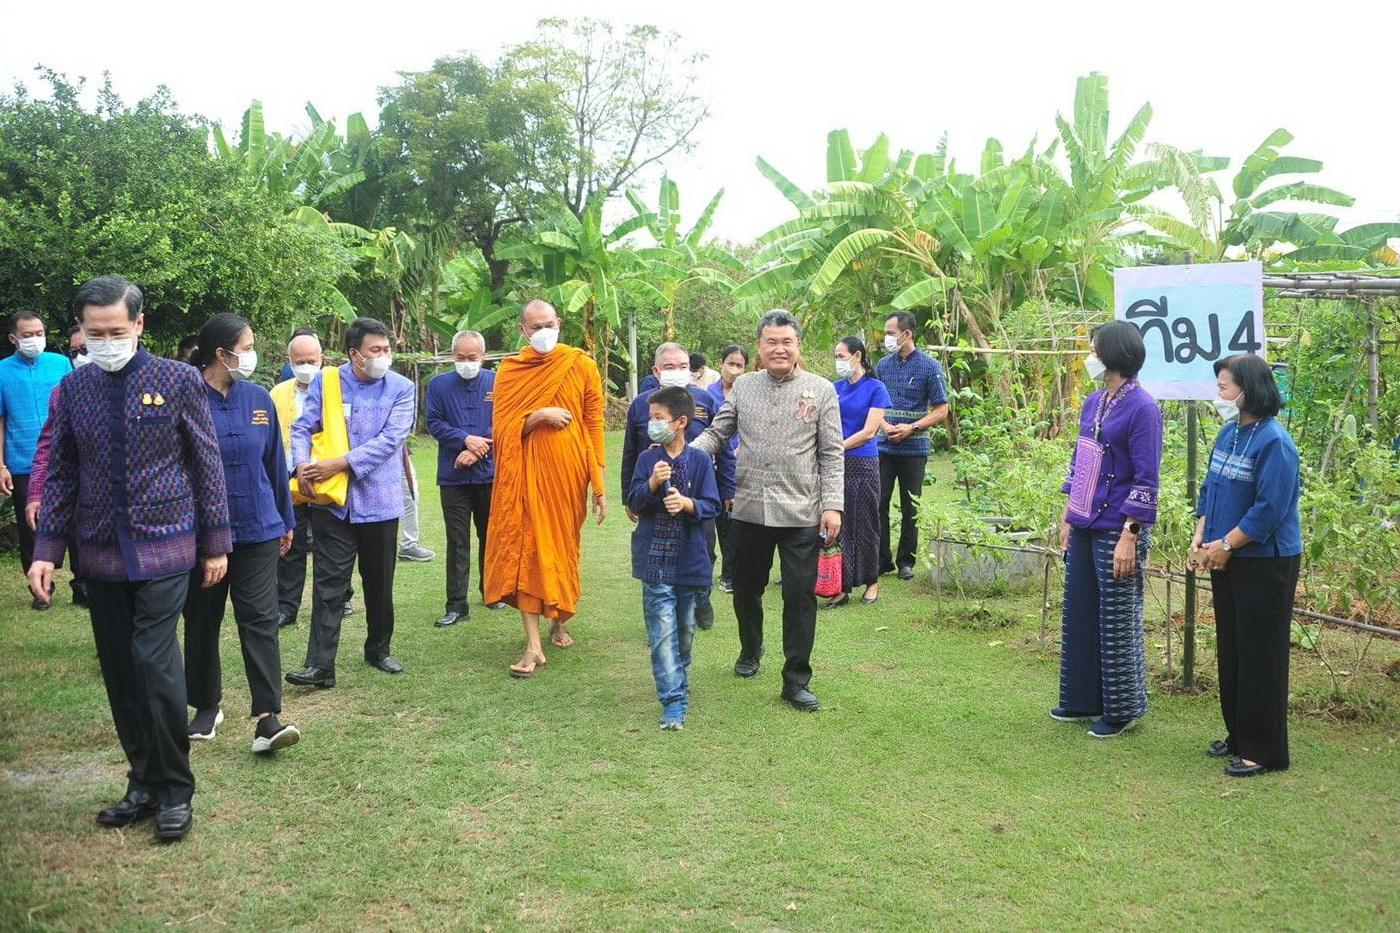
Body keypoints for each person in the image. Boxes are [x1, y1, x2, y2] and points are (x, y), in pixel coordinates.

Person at [29, 274, 231, 841]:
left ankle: (175, 790)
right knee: (120, 670)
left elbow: (206, 464)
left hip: (167, 545)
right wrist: (47, 551)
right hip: (99, 552)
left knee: (153, 661)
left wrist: (216, 543)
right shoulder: (74, 389)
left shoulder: (178, 379)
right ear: (80, 331)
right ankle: (142, 781)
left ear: (139, 325)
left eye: (117, 331)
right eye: (95, 333)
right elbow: (62, 473)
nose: (107, 341)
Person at [692, 310, 844, 712]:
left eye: (786, 342)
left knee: (799, 597)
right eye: (771, 342)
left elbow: (832, 453)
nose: (779, 349)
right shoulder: (744, 386)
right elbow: (717, 433)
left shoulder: (821, 390)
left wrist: (832, 505)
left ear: (797, 346)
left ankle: (796, 680)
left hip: (801, 511)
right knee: (745, 590)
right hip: (750, 510)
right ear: (759, 347)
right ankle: (750, 647)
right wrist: (684, 455)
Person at [181, 313, 301, 753]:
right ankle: (205, 706)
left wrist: (285, 519)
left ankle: (268, 717)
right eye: (247, 347)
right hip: (203, 535)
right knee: (202, 619)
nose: (252, 355)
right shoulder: (186, 398)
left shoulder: (258, 398)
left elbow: (274, 462)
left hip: (258, 528)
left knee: (260, 620)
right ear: (221, 353)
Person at [286, 317, 415, 686]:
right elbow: (302, 426)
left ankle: (379, 649)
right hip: (332, 504)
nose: (384, 355)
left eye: (387, 349)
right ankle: (320, 666)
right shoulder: (327, 381)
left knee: (379, 584)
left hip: (380, 503)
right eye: (376, 350)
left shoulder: (402, 388)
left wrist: (340, 463)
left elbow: (391, 440)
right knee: (328, 586)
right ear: (355, 354)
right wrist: (301, 465)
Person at [1190, 354, 1301, 777]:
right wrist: (1201, 534)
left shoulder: (1275, 442)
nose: (1218, 394)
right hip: (1226, 553)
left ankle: (1264, 751)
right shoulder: (1230, 432)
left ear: (1248, 391)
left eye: (1224, 387)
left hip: (1264, 561)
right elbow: (1211, 488)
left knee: (1261, 653)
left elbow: (1270, 509)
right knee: (1234, 648)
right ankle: (1239, 736)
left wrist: (1228, 544)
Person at [483, 299, 606, 678]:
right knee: (529, 550)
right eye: (535, 327)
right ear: (523, 331)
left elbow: (594, 423)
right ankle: (533, 645)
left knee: (561, 549)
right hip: (523, 477)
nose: (543, 332)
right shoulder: (510, 370)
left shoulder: (581, 364)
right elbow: (501, 430)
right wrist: (535, 417)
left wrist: (599, 484)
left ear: (560, 323)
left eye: (548, 324)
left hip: (568, 476)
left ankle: (559, 620)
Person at [1054, 321, 1162, 738]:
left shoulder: (1143, 408)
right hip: (1085, 519)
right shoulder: (1095, 401)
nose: (1091, 357)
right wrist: (1069, 514)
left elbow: (1147, 476)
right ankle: (1082, 700)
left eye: (1095, 350)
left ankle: (1122, 709)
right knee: (1080, 610)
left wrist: (1130, 535)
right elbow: (1081, 459)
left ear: (1114, 355)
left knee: (1117, 617)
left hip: (1119, 525)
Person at [621, 342, 735, 629]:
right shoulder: (641, 405)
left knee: (704, 549)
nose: (677, 371)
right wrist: (628, 496)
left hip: (698, 491)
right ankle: (662, 614)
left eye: (683, 366)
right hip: (654, 491)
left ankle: (701, 597)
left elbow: (723, 446)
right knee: (657, 550)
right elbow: (630, 452)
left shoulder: (705, 400)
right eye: (669, 367)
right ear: (656, 371)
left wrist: (728, 489)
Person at [629, 386, 721, 730]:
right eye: (650, 418)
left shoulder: (700, 461)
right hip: (654, 560)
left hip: (690, 559)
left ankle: (678, 679)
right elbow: (634, 502)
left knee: (683, 632)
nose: (652, 424)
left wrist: (687, 504)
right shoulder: (647, 460)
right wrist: (652, 483)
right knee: (662, 633)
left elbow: (712, 504)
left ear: (681, 422)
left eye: (658, 418)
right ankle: (673, 701)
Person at [426, 329, 502, 627]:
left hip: (489, 474)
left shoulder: (497, 381)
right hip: (453, 476)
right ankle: (456, 605)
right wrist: (464, 440)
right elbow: (434, 422)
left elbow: (505, 422)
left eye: (472, 357)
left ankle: (492, 592)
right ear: (452, 355)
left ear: (483, 356)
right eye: (460, 357)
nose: (466, 363)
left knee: (490, 536)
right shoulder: (438, 384)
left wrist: (478, 449)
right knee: (457, 540)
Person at [2, 310, 74, 608]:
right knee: (31, 525)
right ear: (13, 338)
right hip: (23, 460)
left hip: (67, 457)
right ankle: (41, 589)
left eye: (39, 333)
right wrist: (1, 465)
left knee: (78, 520)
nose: (35, 339)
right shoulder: (2, 371)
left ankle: (84, 585)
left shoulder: (61, 364)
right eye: (27, 335)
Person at [875, 311, 950, 580]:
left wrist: (912, 428)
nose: (886, 338)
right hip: (883, 447)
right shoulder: (882, 365)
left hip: (914, 449)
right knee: (878, 502)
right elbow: (874, 404)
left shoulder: (930, 366)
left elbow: (941, 410)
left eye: (891, 333)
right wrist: (884, 425)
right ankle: (881, 560)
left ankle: (906, 561)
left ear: (907, 334)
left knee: (911, 506)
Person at [824, 336, 891, 609]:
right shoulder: (833, 388)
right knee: (837, 522)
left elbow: (869, 431)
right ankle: (840, 586)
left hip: (863, 462)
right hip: (836, 464)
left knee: (866, 522)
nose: (838, 361)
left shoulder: (876, 388)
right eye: (836, 357)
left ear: (858, 356)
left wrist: (837, 447)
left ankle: (871, 581)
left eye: (841, 356)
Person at [271, 330, 323, 628]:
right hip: (290, 478)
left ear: (322, 359)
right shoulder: (277, 393)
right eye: (300, 361)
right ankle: (286, 606)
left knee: (330, 543)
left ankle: (339, 598)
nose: (306, 366)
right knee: (292, 544)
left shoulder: (336, 388)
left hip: (326, 476)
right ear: (289, 361)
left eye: (311, 360)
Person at [708, 344, 748, 593]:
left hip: (740, 466)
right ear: (721, 363)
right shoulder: (707, 394)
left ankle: (730, 573)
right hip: (712, 465)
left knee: (733, 522)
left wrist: (742, 448)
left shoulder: (748, 394)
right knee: (715, 520)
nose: (734, 369)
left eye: (739, 365)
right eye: (730, 363)